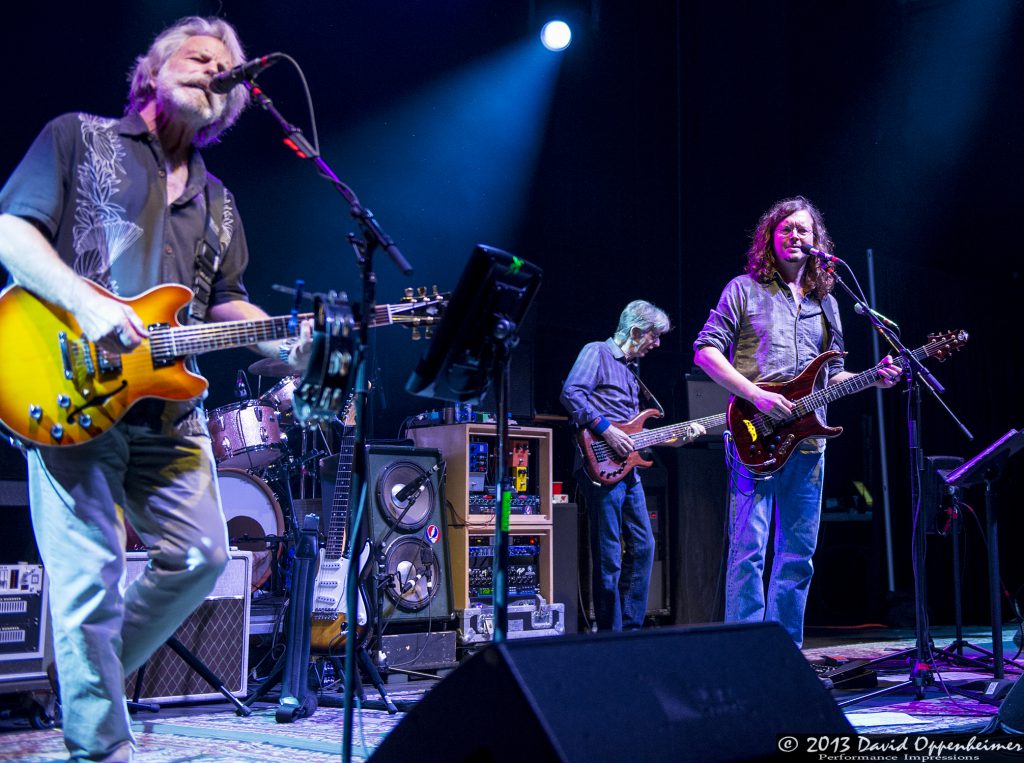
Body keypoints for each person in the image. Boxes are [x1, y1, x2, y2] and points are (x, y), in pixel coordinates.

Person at [0, 17, 309, 762]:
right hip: (68, 385)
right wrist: (90, 305)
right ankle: (103, 745)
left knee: (203, 556)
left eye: (225, 67)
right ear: (152, 69)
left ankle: (84, 661)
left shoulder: (221, 204)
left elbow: (222, 301)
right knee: (88, 580)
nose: (213, 69)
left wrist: (291, 341)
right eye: (197, 55)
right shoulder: (79, 137)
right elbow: (11, 232)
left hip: (169, 415)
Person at [693, 196, 899, 647]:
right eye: (785, 229)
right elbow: (705, 350)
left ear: (816, 240)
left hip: (808, 444)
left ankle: (784, 652)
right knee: (749, 550)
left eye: (803, 230)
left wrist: (872, 379)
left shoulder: (827, 301)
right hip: (753, 432)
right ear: (769, 238)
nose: (795, 237)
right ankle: (746, 653)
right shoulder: (743, 289)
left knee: (798, 555)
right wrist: (756, 395)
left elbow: (830, 375)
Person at [561, 300, 704, 631]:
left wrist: (679, 436)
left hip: (628, 471)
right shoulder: (596, 352)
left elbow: (636, 433)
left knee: (644, 546)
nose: (657, 344)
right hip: (599, 466)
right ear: (637, 331)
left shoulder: (631, 371)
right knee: (609, 555)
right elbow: (571, 394)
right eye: (654, 337)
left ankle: (631, 630)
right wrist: (606, 430)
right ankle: (610, 637)